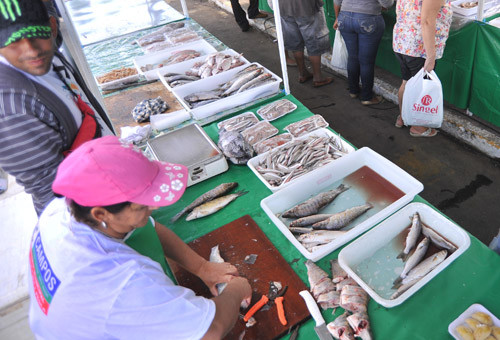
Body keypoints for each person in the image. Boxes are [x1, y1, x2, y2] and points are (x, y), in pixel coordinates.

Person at [28, 136, 252, 339]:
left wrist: (203, 267)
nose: (153, 206)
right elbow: (211, 331)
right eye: (142, 204)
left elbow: (148, 228)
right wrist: (237, 289)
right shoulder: (123, 282)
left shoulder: (65, 208)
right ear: (101, 214)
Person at [0, 0, 114, 216]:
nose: (32, 51)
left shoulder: (43, 58)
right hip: (89, 215)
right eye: (13, 42)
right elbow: (51, 191)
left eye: (37, 34)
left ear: (52, 27)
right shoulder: (11, 106)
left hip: (107, 181)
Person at [392, 0, 452, 137]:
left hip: (403, 43)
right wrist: (431, 56)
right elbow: (427, 22)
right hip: (419, 48)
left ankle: (403, 117)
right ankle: (418, 127)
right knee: (421, 87)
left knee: (407, 82)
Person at [334, 0, 393, 105]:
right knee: (366, 62)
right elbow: (387, 3)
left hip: (344, 18)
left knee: (352, 57)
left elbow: (337, 1)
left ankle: (353, 91)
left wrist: (337, 18)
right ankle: (367, 97)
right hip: (368, 19)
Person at [279, 0, 334, 88]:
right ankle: (318, 77)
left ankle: (302, 73)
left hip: (284, 7)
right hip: (305, 6)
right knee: (313, 39)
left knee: (295, 40)